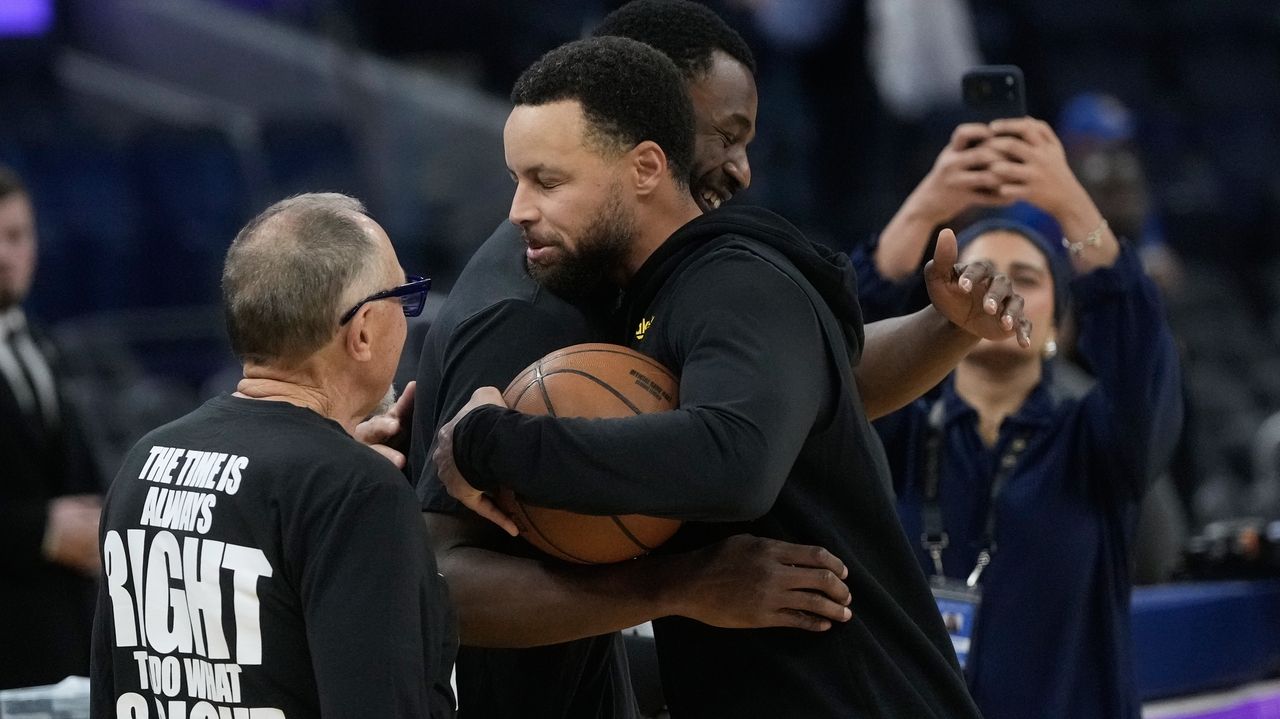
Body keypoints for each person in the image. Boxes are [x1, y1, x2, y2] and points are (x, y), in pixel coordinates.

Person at [433, 35, 1030, 717]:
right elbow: (836, 387)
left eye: (547, 180)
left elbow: (735, 459)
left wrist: (488, 441)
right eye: (516, 180)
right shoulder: (642, 298)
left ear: (647, 166)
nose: (517, 210)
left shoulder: (733, 282)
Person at [90, 193, 457, 718]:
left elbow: (110, 693)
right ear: (363, 331)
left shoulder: (145, 460)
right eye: (404, 298)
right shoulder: (356, 492)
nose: (408, 317)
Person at [870, 118, 1184, 719]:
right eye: (979, 270)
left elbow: (1144, 366)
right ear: (940, 300)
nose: (1000, 287)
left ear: (1061, 330)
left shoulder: (1095, 442)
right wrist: (925, 209)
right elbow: (836, 353)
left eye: (1030, 277)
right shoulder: (896, 432)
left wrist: (1069, 201)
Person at [0, 166, 104, 690]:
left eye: (16, 236)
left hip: (65, 642)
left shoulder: (43, 344)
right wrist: (42, 530)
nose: (5, 255)